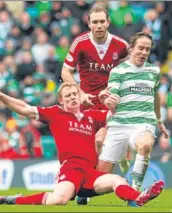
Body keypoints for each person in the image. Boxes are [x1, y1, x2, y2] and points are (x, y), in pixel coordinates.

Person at [0, 82, 164, 206]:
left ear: (79, 96)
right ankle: (15, 200)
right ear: (61, 100)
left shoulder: (92, 116)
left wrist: (120, 101)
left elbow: (116, 115)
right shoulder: (55, 113)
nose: (72, 97)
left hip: (91, 172)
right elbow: (24, 109)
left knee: (118, 180)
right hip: (71, 169)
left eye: (75, 94)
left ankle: (138, 198)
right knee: (59, 200)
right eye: (67, 96)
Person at [61, 4, 130, 204]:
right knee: (88, 149)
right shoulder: (80, 43)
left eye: (102, 21)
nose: (99, 25)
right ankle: (87, 188)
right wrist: (79, 93)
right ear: (89, 23)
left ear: (108, 22)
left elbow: (130, 70)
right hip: (86, 102)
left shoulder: (120, 45)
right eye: (95, 22)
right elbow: (66, 72)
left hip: (109, 103)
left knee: (100, 140)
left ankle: (88, 189)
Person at [97, 32, 169, 204]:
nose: (144, 52)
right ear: (131, 49)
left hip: (144, 123)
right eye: (141, 48)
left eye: (147, 49)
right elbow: (111, 102)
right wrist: (106, 100)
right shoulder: (118, 71)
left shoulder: (154, 71)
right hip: (119, 125)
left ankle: (135, 193)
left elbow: (156, 96)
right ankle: (121, 157)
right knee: (98, 181)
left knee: (145, 145)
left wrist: (159, 121)